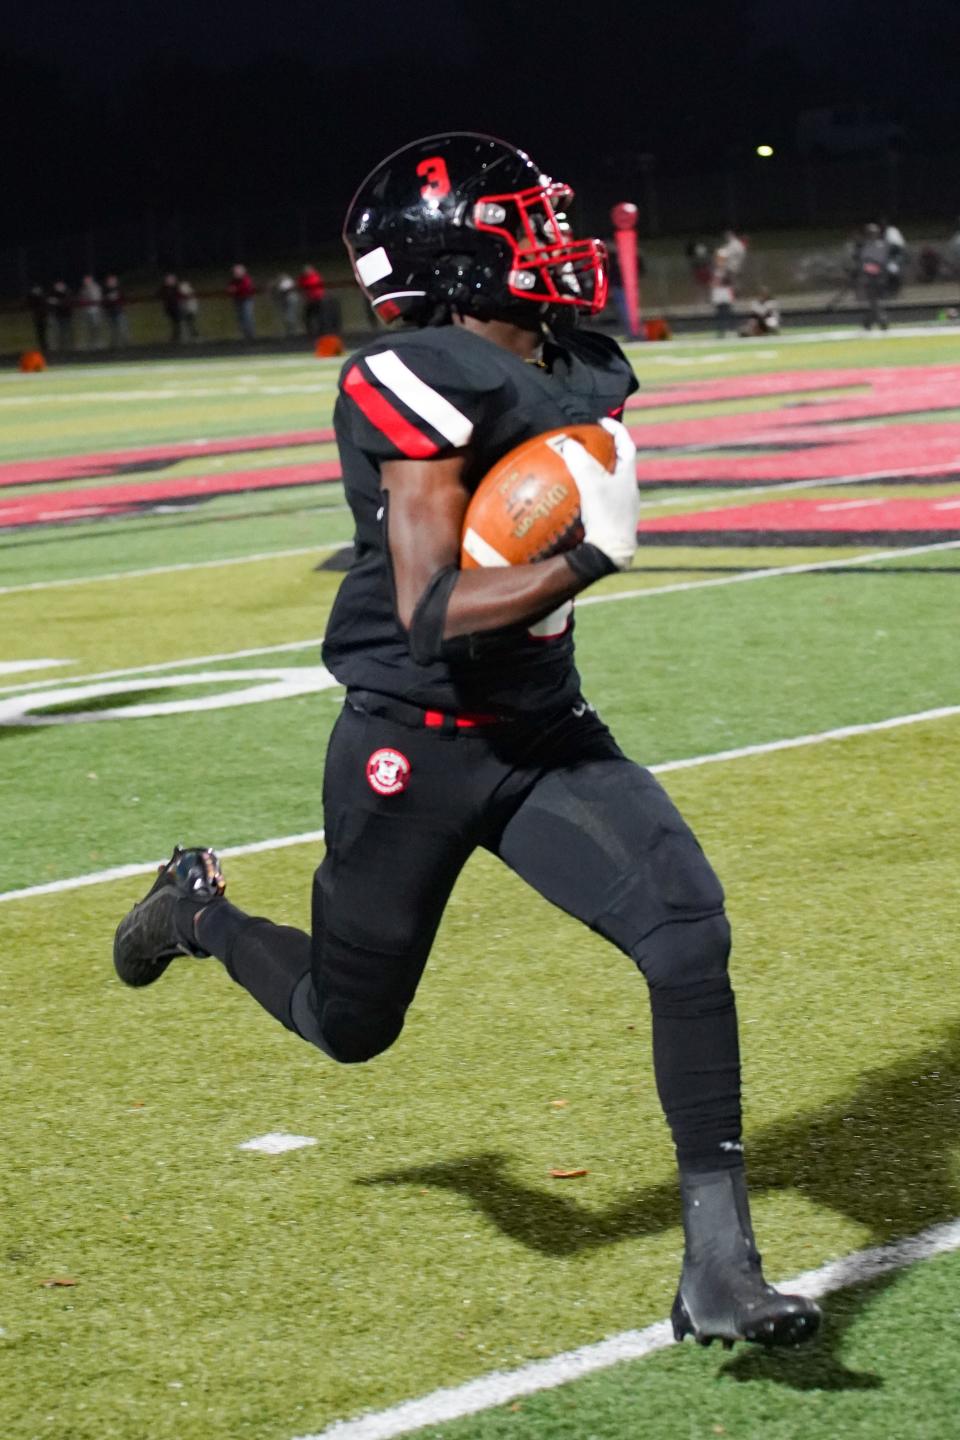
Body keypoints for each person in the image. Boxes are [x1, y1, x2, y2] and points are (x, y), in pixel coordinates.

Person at [112, 131, 821, 1352]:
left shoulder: (566, 363)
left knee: (686, 932)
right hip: (413, 744)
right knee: (350, 1025)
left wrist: (573, 553)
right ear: (452, 254)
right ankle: (199, 914)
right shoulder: (415, 374)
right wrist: (588, 553)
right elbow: (434, 611)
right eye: (522, 223)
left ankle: (720, 1270)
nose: (554, 240)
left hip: (541, 728)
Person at [859, 222, 891, 330]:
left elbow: (881, 260)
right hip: (870, 277)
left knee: (875, 301)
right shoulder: (866, 246)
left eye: (873, 232)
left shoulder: (881, 245)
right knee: (873, 301)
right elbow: (864, 262)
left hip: (879, 276)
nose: (872, 235)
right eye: (869, 233)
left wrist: (872, 266)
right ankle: (875, 322)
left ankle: (875, 321)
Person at [228, 264, 256, 340]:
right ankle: (244, 335)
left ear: (243, 272)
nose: (235, 273)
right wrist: (232, 290)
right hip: (237, 300)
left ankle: (251, 335)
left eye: (237, 272)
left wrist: (236, 289)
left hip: (247, 300)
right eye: (235, 272)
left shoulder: (246, 279)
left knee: (248, 317)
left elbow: (247, 288)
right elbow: (230, 289)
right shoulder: (233, 281)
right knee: (240, 318)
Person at [298, 263, 326, 336]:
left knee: (319, 315)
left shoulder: (314, 277)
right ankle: (311, 331)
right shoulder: (303, 278)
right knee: (308, 317)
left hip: (317, 299)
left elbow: (316, 288)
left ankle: (321, 331)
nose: (305, 272)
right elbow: (300, 285)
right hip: (309, 300)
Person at [102, 275, 130, 348]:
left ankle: (126, 344)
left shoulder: (119, 289)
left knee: (123, 329)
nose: (111, 282)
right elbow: (103, 302)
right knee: (113, 330)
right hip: (110, 313)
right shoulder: (105, 291)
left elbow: (124, 299)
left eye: (113, 281)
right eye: (110, 281)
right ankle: (114, 345)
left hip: (119, 312)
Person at [78, 275, 105, 349]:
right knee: (88, 328)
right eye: (85, 281)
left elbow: (97, 298)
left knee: (96, 328)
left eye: (88, 280)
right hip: (87, 311)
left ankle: (98, 343)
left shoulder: (96, 287)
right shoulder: (83, 289)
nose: (86, 282)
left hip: (95, 311)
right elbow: (81, 299)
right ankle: (90, 344)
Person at [710, 262, 735, 337]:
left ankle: (730, 330)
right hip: (719, 297)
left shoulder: (727, 272)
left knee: (727, 314)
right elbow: (714, 283)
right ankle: (721, 331)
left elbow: (729, 283)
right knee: (719, 316)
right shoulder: (716, 272)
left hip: (725, 296)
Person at [48, 280, 74, 351]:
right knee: (59, 332)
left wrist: (57, 302)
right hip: (58, 315)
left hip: (66, 315)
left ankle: (69, 346)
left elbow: (67, 303)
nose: (58, 287)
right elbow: (50, 303)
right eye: (57, 286)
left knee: (67, 331)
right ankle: (61, 346)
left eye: (59, 286)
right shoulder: (53, 293)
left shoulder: (67, 292)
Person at [272, 272, 300, 337]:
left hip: (291, 300)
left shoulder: (287, 282)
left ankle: (293, 331)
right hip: (284, 301)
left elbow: (284, 290)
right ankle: (290, 331)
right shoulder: (277, 283)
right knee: (286, 316)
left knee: (290, 316)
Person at [158, 274, 181, 342]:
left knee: (176, 322)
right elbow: (158, 294)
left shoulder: (175, 288)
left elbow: (180, 295)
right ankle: (175, 336)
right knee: (173, 322)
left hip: (175, 307)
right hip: (170, 308)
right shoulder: (164, 288)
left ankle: (176, 335)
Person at [26, 284, 49, 353]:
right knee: (40, 333)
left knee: (43, 332)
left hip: (42, 317)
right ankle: (43, 346)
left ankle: (45, 345)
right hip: (38, 317)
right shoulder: (33, 298)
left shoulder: (42, 297)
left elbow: (44, 306)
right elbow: (30, 304)